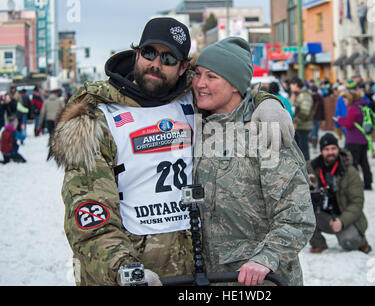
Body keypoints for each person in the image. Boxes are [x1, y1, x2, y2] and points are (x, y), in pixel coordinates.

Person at [48, 18, 294, 286]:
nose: (155, 63)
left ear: (182, 67)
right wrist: (124, 269)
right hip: (135, 269)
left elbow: (231, 88)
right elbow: (89, 214)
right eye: (149, 52)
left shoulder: (195, 101)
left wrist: (265, 102)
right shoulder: (99, 117)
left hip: (200, 269)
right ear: (136, 53)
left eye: (168, 58)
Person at [192, 37, 315, 286]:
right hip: (211, 279)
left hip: (259, 280)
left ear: (236, 85)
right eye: (197, 74)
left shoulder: (264, 131)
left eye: (211, 77)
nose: (199, 84)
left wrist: (265, 259)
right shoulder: (198, 127)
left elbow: (297, 215)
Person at [307, 133, 371, 254]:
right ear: (321, 151)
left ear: (338, 149)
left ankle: (361, 241)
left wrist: (342, 220)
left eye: (333, 148)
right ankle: (318, 243)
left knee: (349, 242)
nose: (330, 152)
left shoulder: (350, 172)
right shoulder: (311, 167)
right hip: (322, 215)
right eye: (326, 149)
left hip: (344, 216)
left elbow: (357, 202)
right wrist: (305, 184)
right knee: (302, 216)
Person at [336, 90, 373, 190]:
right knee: (364, 162)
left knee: (353, 163)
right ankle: (368, 183)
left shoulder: (353, 109)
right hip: (363, 139)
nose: (344, 102)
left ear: (350, 98)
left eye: (345, 99)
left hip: (354, 139)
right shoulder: (362, 106)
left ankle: (355, 183)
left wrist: (339, 120)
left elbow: (348, 124)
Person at [290, 77, 314, 161]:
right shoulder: (297, 94)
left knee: (303, 148)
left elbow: (305, 111)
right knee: (300, 148)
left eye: (292, 85)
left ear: (296, 85)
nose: (291, 87)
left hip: (303, 125)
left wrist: (295, 121)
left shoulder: (304, 95)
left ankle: (307, 166)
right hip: (299, 126)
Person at [310, 85, 325, 153]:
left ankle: (314, 146)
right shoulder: (320, 98)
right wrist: (323, 118)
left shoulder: (310, 98)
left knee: (313, 132)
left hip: (312, 117)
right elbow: (322, 109)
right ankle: (315, 146)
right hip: (318, 117)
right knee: (316, 132)